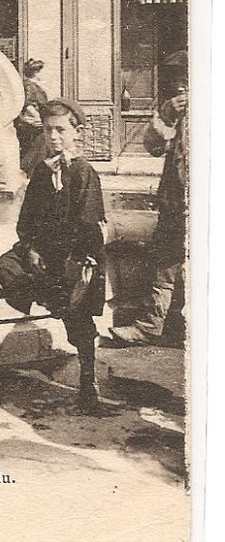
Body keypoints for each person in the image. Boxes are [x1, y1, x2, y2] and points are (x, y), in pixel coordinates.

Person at [0, 99, 109, 416]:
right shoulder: (43, 173)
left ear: (77, 132)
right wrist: (30, 246)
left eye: (61, 130)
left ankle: (88, 380)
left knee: (79, 321)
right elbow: (26, 220)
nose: (54, 137)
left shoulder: (85, 174)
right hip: (39, 253)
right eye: (48, 130)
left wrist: (80, 263)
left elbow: (88, 226)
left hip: (74, 260)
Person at [111, 54, 188, 347]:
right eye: (179, 83)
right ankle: (150, 326)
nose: (182, 89)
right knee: (165, 266)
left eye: (186, 81)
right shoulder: (176, 112)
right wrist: (167, 116)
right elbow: (154, 147)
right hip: (175, 203)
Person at [15, 58, 48, 173]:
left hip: (33, 124)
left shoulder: (33, 85)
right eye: (41, 71)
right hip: (31, 125)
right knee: (33, 150)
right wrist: (38, 119)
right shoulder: (28, 86)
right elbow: (28, 106)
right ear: (36, 72)